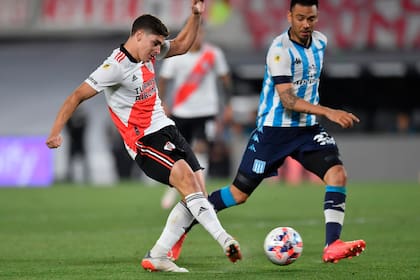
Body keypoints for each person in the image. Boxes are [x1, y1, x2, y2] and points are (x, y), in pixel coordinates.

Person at [45, 0, 241, 273]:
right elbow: (77, 95)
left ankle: (158, 255)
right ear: (138, 36)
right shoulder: (115, 66)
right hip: (143, 141)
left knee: (198, 190)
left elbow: (183, 45)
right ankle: (225, 240)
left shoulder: (149, 53)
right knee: (187, 180)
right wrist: (55, 132)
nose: (159, 49)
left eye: (161, 44)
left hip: (167, 128)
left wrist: (195, 15)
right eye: (155, 43)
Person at [168, 0, 366, 264]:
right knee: (237, 194)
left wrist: (318, 114)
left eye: (311, 18)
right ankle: (180, 231)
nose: (306, 24)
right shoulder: (279, 50)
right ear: (289, 16)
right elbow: (288, 100)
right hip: (274, 132)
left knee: (337, 175)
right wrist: (328, 111)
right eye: (300, 18)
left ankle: (333, 244)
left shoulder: (321, 42)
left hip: (307, 130)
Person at [157, 20, 233, 209]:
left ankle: (199, 194)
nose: (198, 36)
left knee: (200, 150)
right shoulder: (176, 55)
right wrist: (162, 103)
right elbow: (164, 80)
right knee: (178, 156)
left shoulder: (213, 54)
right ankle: (173, 190)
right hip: (181, 112)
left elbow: (225, 80)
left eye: (201, 32)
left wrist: (229, 104)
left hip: (207, 112)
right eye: (194, 32)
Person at [65, 107, 89, 183]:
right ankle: (70, 177)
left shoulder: (81, 120)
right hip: (73, 143)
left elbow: (84, 125)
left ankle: (86, 177)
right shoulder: (70, 121)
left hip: (80, 143)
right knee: (71, 162)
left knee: (84, 162)